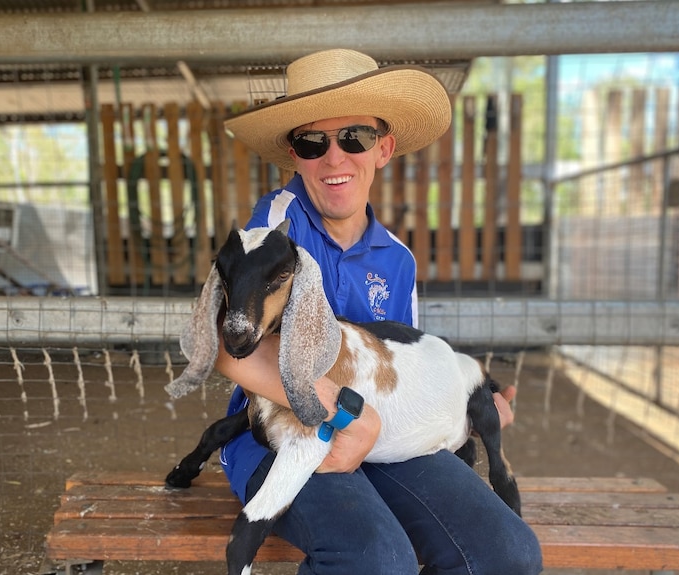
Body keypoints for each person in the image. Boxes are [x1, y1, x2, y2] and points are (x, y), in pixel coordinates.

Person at [215, 49, 543, 575]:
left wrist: (460, 410)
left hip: (383, 438)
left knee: (508, 552)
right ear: (294, 155)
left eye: (355, 138)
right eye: (312, 141)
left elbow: (402, 370)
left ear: (383, 148)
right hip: (284, 434)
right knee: (373, 557)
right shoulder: (276, 226)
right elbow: (230, 355)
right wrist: (348, 414)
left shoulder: (397, 259)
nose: (334, 158)